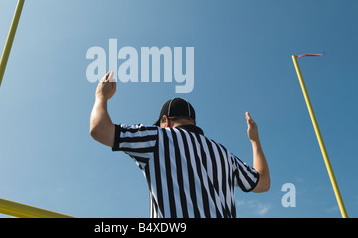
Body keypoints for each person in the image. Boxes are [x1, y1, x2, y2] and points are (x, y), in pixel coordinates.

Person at [90, 71, 270, 218]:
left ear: (165, 121)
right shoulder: (224, 155)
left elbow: (99, 129)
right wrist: (255, 141)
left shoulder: (158, 137)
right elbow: (263, 183)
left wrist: (101, 96)